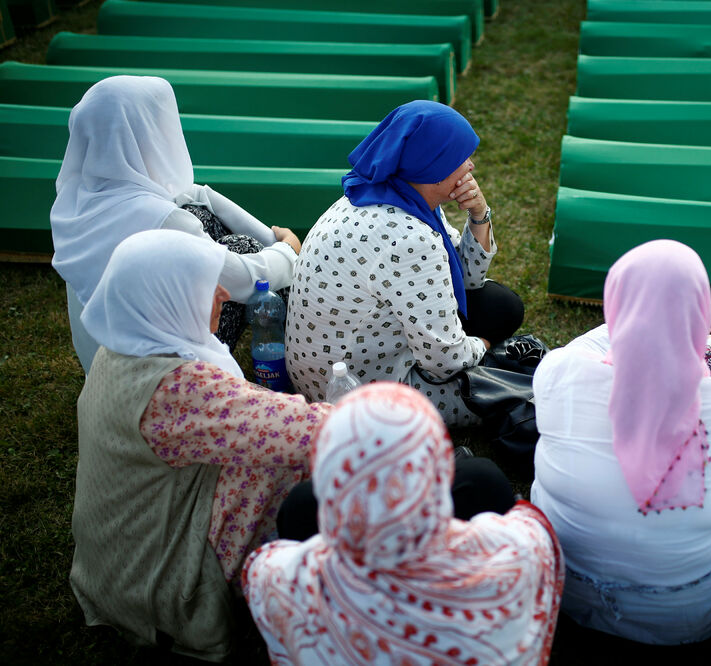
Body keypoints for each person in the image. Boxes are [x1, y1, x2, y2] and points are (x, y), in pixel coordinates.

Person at [69, 229, 328, 662]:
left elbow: (254, 419)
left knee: (273, 450)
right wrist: (395, 421)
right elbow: (303, 430)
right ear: (166, 297)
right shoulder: (176, 387)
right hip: (160, 584)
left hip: (114, 566)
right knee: (308, 463)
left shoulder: (123, 346)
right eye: (206, 285)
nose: (224, 294)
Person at [530, 240, 711, 646]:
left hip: (565, 591)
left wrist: (641, 320)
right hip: (688, 615)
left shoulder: (558, 374)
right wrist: (694, 335)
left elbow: (590, 344)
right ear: (701, 309)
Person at [243, 382, 565, 665]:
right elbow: (533, 529)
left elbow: (263, 564)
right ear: (442, 470)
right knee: (484, 479)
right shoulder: (520, 559)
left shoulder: (276, 583)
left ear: (326, 478)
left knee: (299, 504)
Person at [285, 100, 524, 425]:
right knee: (512, 390)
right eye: (460, 158)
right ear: (432, 166)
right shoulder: (409, 239)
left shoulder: (391, 191)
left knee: (502, 306)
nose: (470, 166)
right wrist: (484, 347)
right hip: (353, 396)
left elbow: (467, 278)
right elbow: (447, 361)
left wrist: (480, 216)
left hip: (331, 366)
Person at [50, 75, 301, 373]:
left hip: (104, 364)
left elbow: (191, 194)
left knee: (203, 215)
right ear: (144, 133)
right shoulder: (157, 217)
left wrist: (269, 237)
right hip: (157, 369)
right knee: (242, 249)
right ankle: (304, 352)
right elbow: (244, 281)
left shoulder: (77, 199)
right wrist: (288, 249)